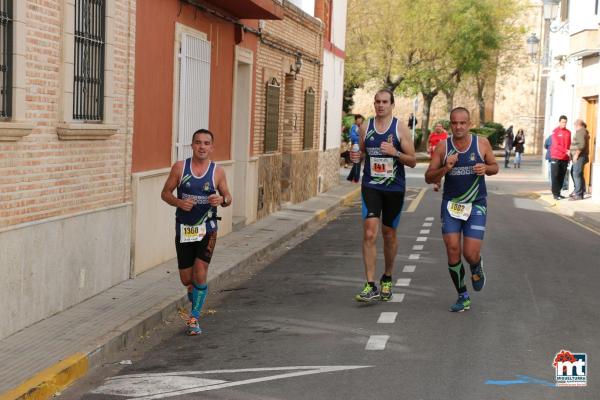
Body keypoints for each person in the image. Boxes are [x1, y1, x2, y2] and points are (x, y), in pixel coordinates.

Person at [425, 107, 498, 312]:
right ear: (450, 124)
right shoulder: (442, 147)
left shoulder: (481, 143)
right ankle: (462, 295)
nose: (458, 127)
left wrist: (486, 168)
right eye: (454, 123)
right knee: (453, 249)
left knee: (470, 253)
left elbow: (495, 167)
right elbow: (429, 177)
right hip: (451, 205)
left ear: (469, 124)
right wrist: (445, 169)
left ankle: (476, 266)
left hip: (476, 204)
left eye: (462, 123)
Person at [161, 129, 232, 335]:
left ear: (212, 147)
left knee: (200, 273)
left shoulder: (217, 171)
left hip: (208, 228)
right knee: (187, 279)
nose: (202, 146)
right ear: (192, 145)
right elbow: (165, 193)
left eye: (206, 143)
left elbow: (228, 197)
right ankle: (196, 299)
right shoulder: (180, 168)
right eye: (198, 142)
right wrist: (179, 202)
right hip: (185, 228)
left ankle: (194, 318)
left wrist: (222, 200)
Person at [350, 89, 416, 302]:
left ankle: (387, 276)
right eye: (377, 101)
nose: (380, 105)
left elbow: (413, 161)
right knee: (369, 233)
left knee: (389, 234)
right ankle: (370, 285)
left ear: (392, 105)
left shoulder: (400, 128)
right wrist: (355, 156)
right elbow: (360, 153)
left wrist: (395, 152)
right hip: (371, 186)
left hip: (394, 188)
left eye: (385, 102)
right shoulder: (365, 127)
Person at [549, 115, 571, 200]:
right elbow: (556, 145)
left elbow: (569, 145)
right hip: (556, 157)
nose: (564, 124)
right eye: (562, 122)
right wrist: (566, 151)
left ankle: (559, 193)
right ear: (559, 122)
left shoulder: (568, 132)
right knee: (555, 176)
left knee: (562, 176)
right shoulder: (555, 132)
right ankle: (555, 194)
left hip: (565, 158)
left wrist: (569, 156)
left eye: (565, 122)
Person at [569, 119, 590, 200]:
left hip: (580, 157)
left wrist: (576, 155)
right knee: (577, 173)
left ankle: (578, 194)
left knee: (576, 174)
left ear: (578, 125)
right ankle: (581, 190)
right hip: (580, 156)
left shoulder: (581, 132)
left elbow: (581, 145)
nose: (574, 127)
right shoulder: (583, 131)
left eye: (574, 125)